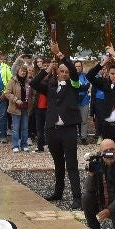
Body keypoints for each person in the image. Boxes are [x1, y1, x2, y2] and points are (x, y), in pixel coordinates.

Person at [33, 49, 83, 207]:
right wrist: (47, 70)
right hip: (52, 129)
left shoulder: (74, 86)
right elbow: (34, 83)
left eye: (66, 71)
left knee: (72, 163)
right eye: (61, 71)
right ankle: (58, 191)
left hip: (68, 129)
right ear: (57, 72)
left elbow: (74, 73)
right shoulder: (50, 87)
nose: (64, 73)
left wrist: (62, 56)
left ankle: (77, 197)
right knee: (58, 163)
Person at [4, 62, 35, 152]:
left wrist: (30, 103)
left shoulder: (28, 82)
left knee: (25, 127)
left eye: (25, 71)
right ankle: (15, 145)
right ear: (18, 71)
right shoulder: (12, 81)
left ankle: (24, 144)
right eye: (21, 71)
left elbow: (32, 94)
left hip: (26, 107)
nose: (23, 73)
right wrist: (15, 99)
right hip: (15, 107)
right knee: (16, 128)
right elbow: (7, 93)